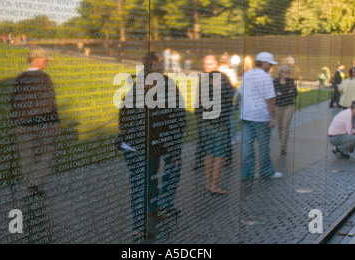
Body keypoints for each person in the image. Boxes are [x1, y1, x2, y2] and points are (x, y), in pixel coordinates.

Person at [118, 52, 186, 238]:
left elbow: (172, 118)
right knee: (143, 182)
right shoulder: (147, 94)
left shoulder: (151, 89)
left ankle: (153, 209)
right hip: (143, 146)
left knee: (145, 181)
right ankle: (141, 223)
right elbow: (165, 123)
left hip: (144, 146)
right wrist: (173, 151)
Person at [10, 48, 60, 242]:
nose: (47, 62)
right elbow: (51, 101)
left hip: (21, 124)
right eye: (45, 59)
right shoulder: (44, 78)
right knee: (50, 150)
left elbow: (14, 102)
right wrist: (54, 122)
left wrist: (14, 122)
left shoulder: (20, 78)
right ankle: (35, 183)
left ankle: (28, 188)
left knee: (27, 157)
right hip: (43, 123)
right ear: (37, 59)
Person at [237, 52, 282, 180]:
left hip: (246, 115)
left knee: (247, 145)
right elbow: (269, 99)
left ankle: (247, 173)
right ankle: (266, 171)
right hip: (261, 117)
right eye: (270, 64)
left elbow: (241, 94)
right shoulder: (266, 77)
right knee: (264, 145)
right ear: (264, 63)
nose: (271, 67)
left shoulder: (247, 74)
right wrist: (272, 118)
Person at [195, 56, 234, 194]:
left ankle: (208, 183)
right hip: (220, 126)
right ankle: (214, 185)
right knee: (219, 155)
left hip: (206, 124)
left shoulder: (204, 84)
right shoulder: (224, 85)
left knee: (209, 154)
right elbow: (231, 98)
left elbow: (198, 106)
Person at [273, 65, 298, 157]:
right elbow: (275, 94)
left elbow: (294, 93)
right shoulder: (275, 82)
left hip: (289, 105)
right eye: (285, 72)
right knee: (280, 127)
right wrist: (287, 93)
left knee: (285, 125)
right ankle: (282, 143)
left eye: (288, 72)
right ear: (280, 73)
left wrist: (281, 94)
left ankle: (283, 147)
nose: (287, 74)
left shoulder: (291, 81)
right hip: (278, 106)